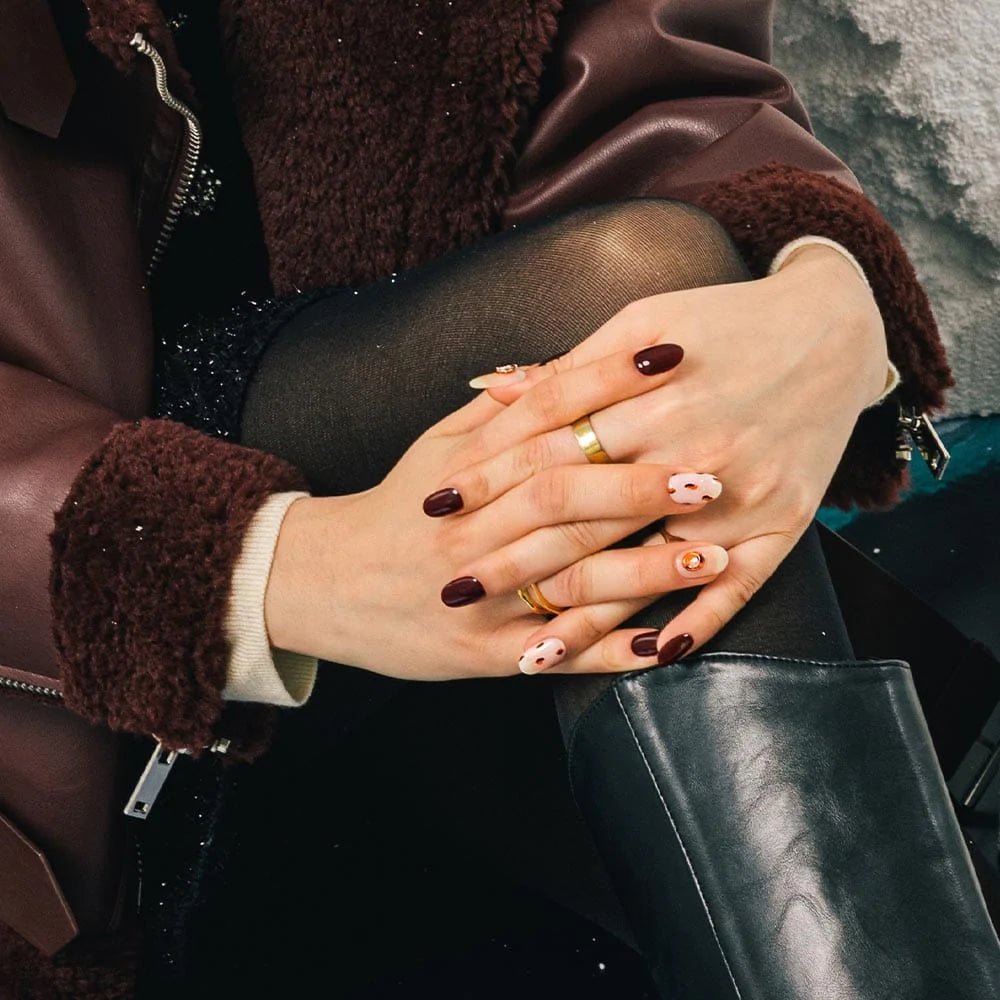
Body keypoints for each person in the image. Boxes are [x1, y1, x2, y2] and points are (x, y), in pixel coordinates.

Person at [0, 1, 996, 997]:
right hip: (80, 699)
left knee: (641, 318)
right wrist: (268, 569)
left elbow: (641, 74)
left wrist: (824, 292)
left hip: (453, 637)